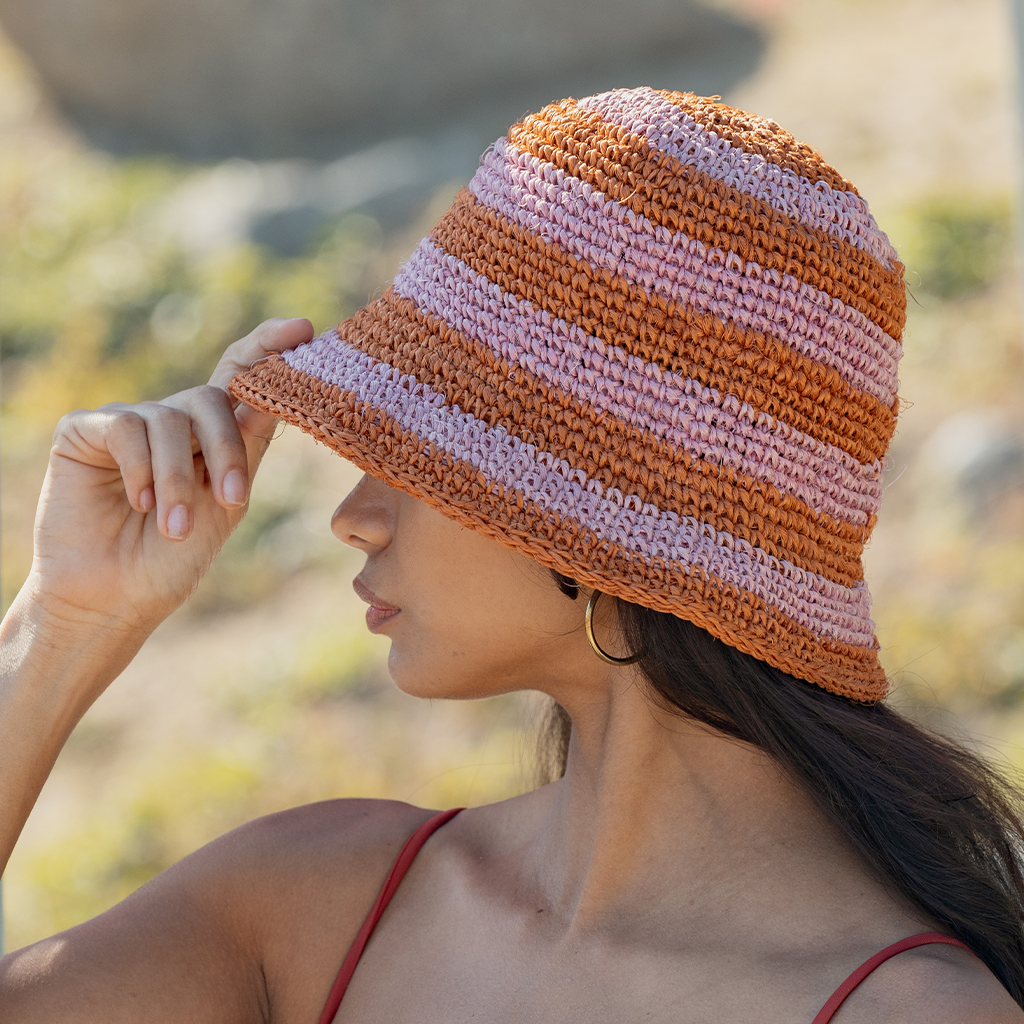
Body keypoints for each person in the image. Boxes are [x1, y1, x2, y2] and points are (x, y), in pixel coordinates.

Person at [1, 87, 1022, 1023]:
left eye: (420, 454)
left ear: (598, 517)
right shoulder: (308, 906)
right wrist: (64, 625)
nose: (354, 515)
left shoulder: (909, 1013)